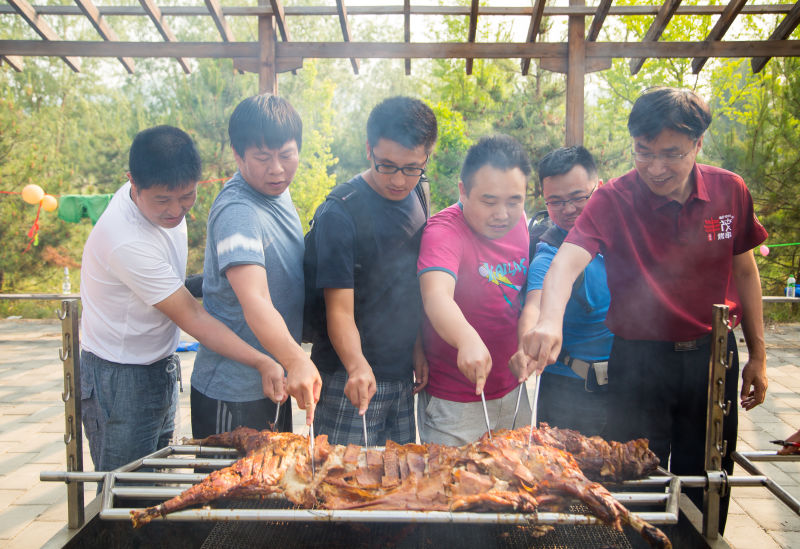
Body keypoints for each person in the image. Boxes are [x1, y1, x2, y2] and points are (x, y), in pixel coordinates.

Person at [522, 87, 768, 533]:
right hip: (637, 358)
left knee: (709, 471)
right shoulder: (614, 198)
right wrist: (549, 321)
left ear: (698, 144)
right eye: (643, 152)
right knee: (634, 472)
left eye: (671, 154)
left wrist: (759, 355)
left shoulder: (729, 191)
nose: (655, 168)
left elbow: (746, 272)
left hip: (712, 356)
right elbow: (565, 263)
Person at [80, 125, 286, 472]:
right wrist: (263, 361)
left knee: (156, 478)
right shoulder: (125, 240)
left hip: (158, 362)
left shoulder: (161, 200)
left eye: (187, 196)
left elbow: (177, 284)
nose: (176, 210)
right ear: (133, 181)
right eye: (163, 199)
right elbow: (194, 318)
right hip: (119, 377)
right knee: (124, 489)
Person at [190, 95, 322, 439]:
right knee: (232, 492)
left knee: (274, 488)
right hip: (232, 393)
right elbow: (256, 300)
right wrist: (296, 360)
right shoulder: (238, 212)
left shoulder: (277, 191)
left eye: (286, 155)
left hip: (272, 381)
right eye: (263, 158)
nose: (277, 169)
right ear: (238, 155)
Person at [309, 96, 437, 446]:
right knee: (339, 488)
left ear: (427, 157)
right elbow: (338, 310)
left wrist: (417, 348)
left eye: (412, 167)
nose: (399, 180)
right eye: (387, 165)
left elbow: (407, 285)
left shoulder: (420, 194)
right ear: (369, 150)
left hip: (400, 376)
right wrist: (356, 365)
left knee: (397, 484)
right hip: (348, 378)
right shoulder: (340, 213)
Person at [417, 134, 532, 446]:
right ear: (463, 191)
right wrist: (466, 338)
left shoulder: (520, 222)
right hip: (455, 404)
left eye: (514, 201)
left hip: (513, 392)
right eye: (489, 201)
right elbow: (437, 296)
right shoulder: (444, 232)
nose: (502, 214)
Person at [510, 146, 612, 436]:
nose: (568, 209)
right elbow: (534, 304)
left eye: (579, 197)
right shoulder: (547, 253)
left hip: (630, 384)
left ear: (600, 188)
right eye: (555, 201)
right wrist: (524, 346)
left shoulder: (626, 236)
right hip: (567, 391)